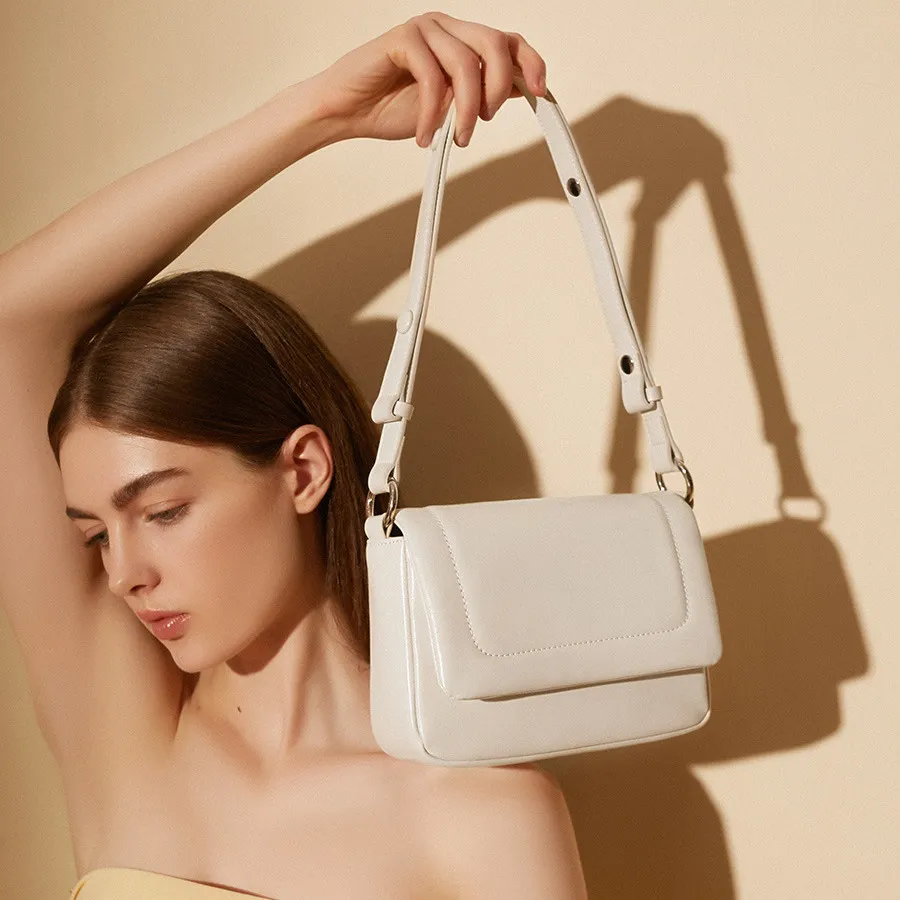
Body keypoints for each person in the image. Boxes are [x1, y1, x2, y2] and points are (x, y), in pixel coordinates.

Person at [0, 10, 589, 900]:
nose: (123, 575)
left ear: (304, 470)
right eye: (94, 535)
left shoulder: (484, 813)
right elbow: (15, 320)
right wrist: (318, 115)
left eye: (163, 511)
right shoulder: (122, 728)